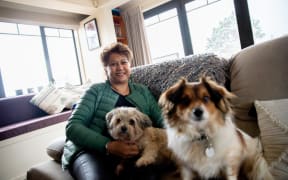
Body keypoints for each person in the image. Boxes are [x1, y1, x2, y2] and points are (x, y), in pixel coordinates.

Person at [61, 42, 166, 180]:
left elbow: (161, 119)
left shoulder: (143, 91)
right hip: (91, 151)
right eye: (113, 64)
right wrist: (108, 145)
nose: (120, 68)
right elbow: (72, 127)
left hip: (134, 151)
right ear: (106, 69)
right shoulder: (94, 91)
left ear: (130, 65)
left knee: (150, 176)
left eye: (124, 62)